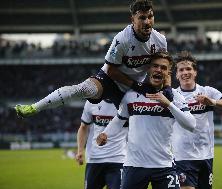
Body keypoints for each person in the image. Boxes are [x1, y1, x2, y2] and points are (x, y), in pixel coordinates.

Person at [15, 0, 167, 117]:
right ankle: (35, 107)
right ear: (132, 19)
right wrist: (137, 86)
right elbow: (111, 69)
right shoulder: (122, 39)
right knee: (82, 89)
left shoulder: (160, 40)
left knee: (140, 123)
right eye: (142, 18)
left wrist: (166, 89)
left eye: (150, 16)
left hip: (136, 86)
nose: (147, 22)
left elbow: (162, 67)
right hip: (111, 80)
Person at [96, 51, 196, 189]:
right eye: (155, 66)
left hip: (163, 166)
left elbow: (191, 125)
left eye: (163, 67)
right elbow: (120, 119)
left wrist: (168, 104)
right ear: (148, 68)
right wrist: (105, 133)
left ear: (168, 72)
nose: (158, 70)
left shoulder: (175, 97)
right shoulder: (131, 95)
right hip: (134, 165)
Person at [171, 51, 222, 189]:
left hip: (206, 155)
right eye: (181, 70)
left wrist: (211, 101)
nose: (185, 72)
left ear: (195, 72)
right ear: (176, 75)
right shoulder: (172, 95)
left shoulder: (207, 91)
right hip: (182, 157)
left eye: (189, 68)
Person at [76, 99, 128, 189]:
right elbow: (83, 127)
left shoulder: (126, 100)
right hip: (95, 159)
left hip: (118, 159)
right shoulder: (92, 102)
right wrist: (80, 151)